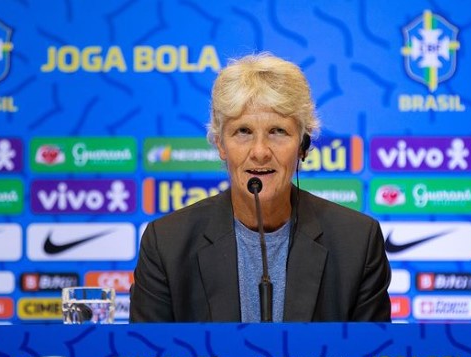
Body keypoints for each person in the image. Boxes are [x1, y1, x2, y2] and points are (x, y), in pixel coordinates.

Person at [129, 52, 391, 322]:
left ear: (302, 145)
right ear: (220, 144)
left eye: (278, 131)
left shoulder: (356, 243)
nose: (260, 152)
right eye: (243, 131)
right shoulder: (167, 244)